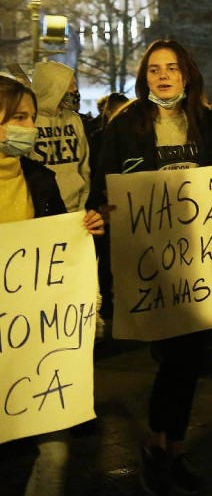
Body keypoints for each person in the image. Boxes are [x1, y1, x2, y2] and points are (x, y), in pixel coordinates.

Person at [96, 39, 212, 495]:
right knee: (176, 357)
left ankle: (170, 444)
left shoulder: (205, 125)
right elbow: (106, 182)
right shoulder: (126, 124)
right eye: (154, 69)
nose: (163, 76)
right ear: (144, 77)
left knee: (189, 359)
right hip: (151, 262)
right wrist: (101, 212)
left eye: (171, 68)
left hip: (198, 260)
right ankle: (161, 443)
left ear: (186, 74)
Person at [1, 76, 105, 496]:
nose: (30, 127)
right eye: (18, 118)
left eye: (30, 116)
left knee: (55, 456)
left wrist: (85, 228)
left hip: (35, 337)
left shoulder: (39, 178)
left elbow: (57, 241)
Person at [85, 91, 130, 324]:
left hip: (129, 203)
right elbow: (94, 170)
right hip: (107, 203)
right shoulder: (97, 138)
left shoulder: (135, 136)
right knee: (106, 255)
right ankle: (107, 302)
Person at [29, 61, 90, 212]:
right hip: (38, 211)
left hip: (75, 209)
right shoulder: (28, 121)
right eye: (70, 85)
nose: (75, 90)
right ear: (54, 88)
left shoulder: (74, 120)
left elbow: (84, 168)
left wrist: (83, 207)